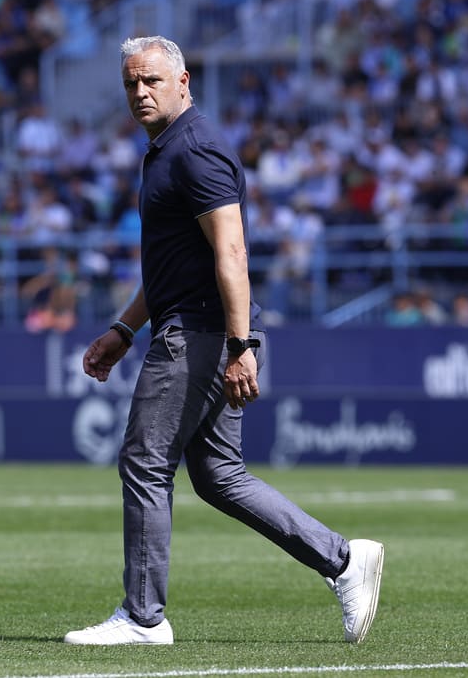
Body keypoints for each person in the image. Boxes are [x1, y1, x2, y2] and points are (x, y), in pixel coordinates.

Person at [64, 36, 384, 647]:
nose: (140, 92)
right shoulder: (165, 151)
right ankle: (344, 561)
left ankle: (142, 618)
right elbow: (175, 264)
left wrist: (241, 345)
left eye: (152, 81)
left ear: (183, 81)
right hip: (194, 325)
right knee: (217, 475)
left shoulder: (196, 149)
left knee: (145, 462)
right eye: (131, 83)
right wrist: (125, 329)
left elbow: (231, 250)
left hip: (202, 333)